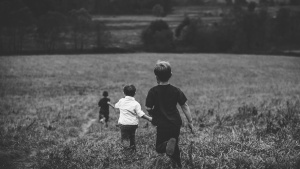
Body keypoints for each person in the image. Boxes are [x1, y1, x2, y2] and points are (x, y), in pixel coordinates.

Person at [145, 60, 195, 168]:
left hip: (162, 124)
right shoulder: (176, 90)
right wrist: (190, 122)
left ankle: (167, 146)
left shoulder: (153, 91)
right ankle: (178, 164)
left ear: (156, 77)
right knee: (174, 144)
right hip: (175, 123)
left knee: (159, 147)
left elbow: (148, 107)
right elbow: (185, 106)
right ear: (170, 75)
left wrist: (153, 113)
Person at [115, 84, 152, 151]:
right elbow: (140, 114)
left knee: (124, 138)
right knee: (132, 137)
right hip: (133, 125)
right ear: (135, 93)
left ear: (124, 92)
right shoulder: (136, 104)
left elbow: (116, 106)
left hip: (123, 124)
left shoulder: (121, 101)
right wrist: (149, 118)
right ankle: (133, 150)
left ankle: (125, 151)